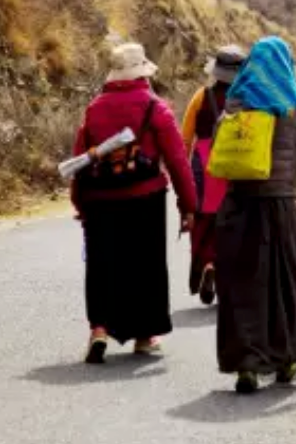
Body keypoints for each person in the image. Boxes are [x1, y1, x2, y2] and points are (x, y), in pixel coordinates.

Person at [215, 36, 296, 394]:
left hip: (238, 206)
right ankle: (287, 358)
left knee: (243, 286)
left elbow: (221, 145)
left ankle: (247, 365)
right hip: (280, 206)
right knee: (284, 283)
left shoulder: (236, 100)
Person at [70, 42, 197, 364]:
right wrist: (189, 205)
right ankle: (144, 335)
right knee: (146, 266)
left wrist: (81, 204)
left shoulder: (95, 108)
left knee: (102, 266)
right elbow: (178, 160)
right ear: (143, 73)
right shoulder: (155, 107)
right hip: (145, 198)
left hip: (100, 199)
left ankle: (99, 329)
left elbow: (81, 158)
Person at [180, 44, 247, 305]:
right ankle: (226, 273)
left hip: (204, 165)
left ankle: (208, 263)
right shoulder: (248, 98)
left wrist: (183, 174)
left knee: (204, 222)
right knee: (232, 222)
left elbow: (185, 138)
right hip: (234, 162)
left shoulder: (201, 96)